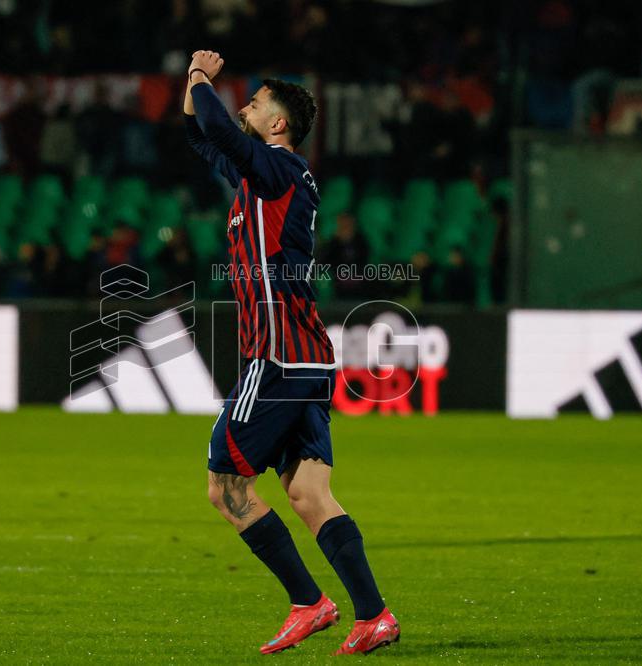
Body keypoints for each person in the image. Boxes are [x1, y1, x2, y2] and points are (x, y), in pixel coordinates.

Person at [184, 50, 399, 656]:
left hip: (277, 357)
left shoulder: (281, 168)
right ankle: (374, 615)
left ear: (277, 125)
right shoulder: (262, 179)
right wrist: (192, 83)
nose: (246, 108)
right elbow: (203, 135)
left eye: (255, 103)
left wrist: (203, 79)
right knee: (309, 494)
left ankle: (310, 602)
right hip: (305, 355)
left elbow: (218, 125)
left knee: (225, 485)